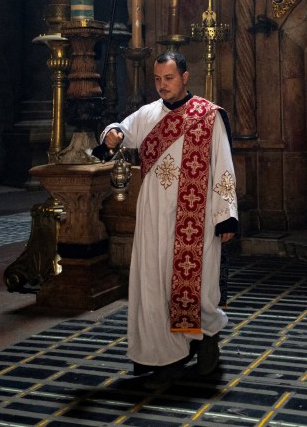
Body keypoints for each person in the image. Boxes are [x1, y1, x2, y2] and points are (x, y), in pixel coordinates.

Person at [98, 51, 239, 387]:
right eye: (158, 79)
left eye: (169, 78)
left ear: (186, 77)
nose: (162, 85)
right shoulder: (148, 115)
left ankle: (206, 341)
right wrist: (111, 135)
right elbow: (120, 130)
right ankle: (167, 356)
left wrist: (227, 215)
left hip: (197, 218)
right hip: (153, 218)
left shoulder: (208, 116)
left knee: (199, 286)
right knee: (154, 287)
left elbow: (223, 164)